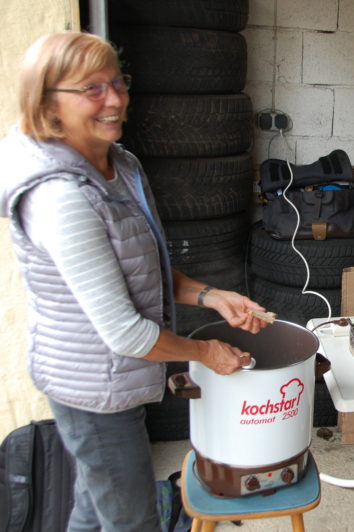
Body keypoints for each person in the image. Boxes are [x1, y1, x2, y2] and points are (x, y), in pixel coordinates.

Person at [0, 32, 269, 531]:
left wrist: (211, 296)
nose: (117, 100)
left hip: (118, 379)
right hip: (93, 390)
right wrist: (206, 353)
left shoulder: (119, 164)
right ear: (47, 102)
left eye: (117, 82)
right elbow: (125, 334)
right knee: (131, 519)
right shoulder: (60, 199)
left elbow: (142, 268)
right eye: (91, 89)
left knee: (94, 501)